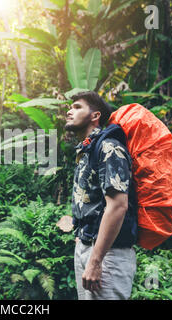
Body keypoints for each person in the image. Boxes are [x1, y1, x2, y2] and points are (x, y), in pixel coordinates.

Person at [64, 91, 138, 300]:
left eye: (77, 107)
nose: (69, 111)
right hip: (88, 247)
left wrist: (96, 261)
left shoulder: (109, 147)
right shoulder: (87, 150)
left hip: (108, 255)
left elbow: (118, 206)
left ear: (95, 115)